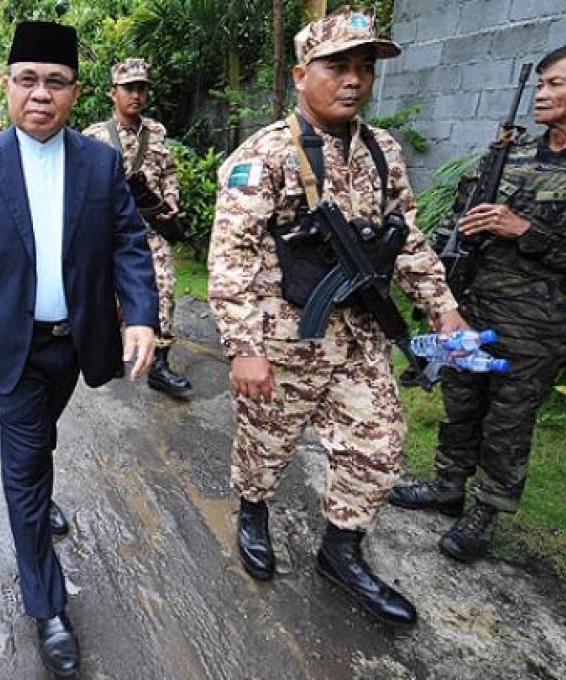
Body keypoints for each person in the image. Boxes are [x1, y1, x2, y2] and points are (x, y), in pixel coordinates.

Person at [207, 6, 468, 628]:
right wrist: (245, 347)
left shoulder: (382, 151)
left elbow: (405, 237)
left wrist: (444, 308)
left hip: (359, 337)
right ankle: (253, 510)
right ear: (301, 75)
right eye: (337, 66)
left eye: (364, 67)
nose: (354, 80)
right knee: (266, 445)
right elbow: (230, 257)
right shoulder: (265, 155)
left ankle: (340, 551)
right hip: (285, 339)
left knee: (378, 446)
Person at [0, 21, 158, 676]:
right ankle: (47, 604)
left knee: (40, 439)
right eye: (28, 79)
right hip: (9, 346)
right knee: (26, 465)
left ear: (75, 92)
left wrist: (141, 314)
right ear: (7, 85)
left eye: (55, 81)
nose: (41, 93)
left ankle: (39, 483)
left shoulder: (99, 162)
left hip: (75, 345)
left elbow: (128, 240)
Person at [388, 46, 566, 563]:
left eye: (556, 84)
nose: (542, 94)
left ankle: (485, 512)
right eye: (540, 84)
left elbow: (530, 235)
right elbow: (456, 221)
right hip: (473, 307)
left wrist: (526, 230)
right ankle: (448, 487)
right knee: (461, 402)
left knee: (508, 422)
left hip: (537, 325)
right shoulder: (509, 154)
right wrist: (440, 286)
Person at [84, 58, 192, 397]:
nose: (136, 95)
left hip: (150, 227)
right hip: (108, 231)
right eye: (129, 88)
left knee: (164, 290)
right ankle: (115, 351)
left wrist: (171, 199)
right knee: (107, 293)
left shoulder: (156, 132)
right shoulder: (94, 136)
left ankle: (159, 364)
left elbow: (169, 171)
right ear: (112, 93)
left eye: (142, 88)